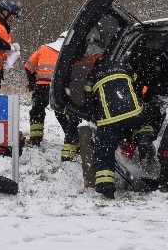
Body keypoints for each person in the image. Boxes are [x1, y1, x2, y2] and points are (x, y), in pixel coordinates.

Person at [84, 55, 155, 199]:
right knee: (147, 116)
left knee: (104, 152)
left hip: (108, 120)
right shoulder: (125, 67)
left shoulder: (92, 75)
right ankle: (142, 136)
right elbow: (139, 86)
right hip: (133, 112)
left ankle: (106, 188)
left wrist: (96, 115)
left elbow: (89, 101)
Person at [24, 32, 81, 161]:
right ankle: (72, 139)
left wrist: (32, 82)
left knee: (37, 110)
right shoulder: (69, 52)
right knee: (61, 113)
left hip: (42, 85)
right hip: (58, 87)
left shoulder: (44, 48)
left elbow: (28, 66)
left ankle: (35, 139)